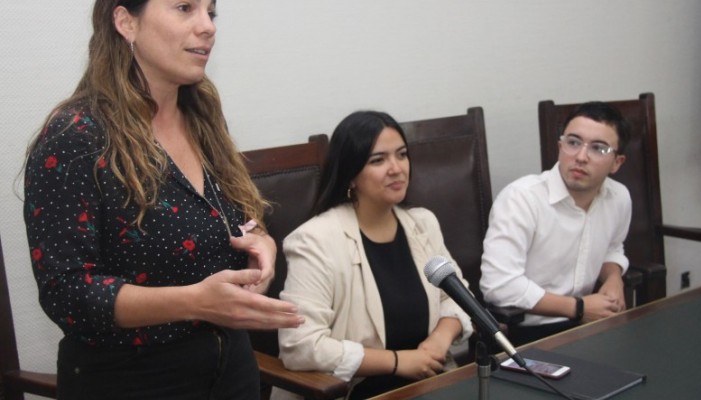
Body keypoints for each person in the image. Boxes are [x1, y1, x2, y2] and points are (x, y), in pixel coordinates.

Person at [23, 1, 303, 399]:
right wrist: (194, 303)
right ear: (125, 21)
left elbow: (236, 216)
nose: (207, 27)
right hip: (133, 380)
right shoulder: (77, 137)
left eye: (212, 12)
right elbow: (66, 292)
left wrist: (262, 243)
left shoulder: (202, 114)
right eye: (185, 8)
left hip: (233, 370)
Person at [271, 111, 473, 400]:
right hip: (355, 391)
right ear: (351, 174)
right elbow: (301, 346)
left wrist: (440, 340)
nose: (396, 168)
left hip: (430, 384)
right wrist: (397, 361)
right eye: (378, 160)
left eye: (401, 155)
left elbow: (456, 296)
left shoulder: (422, 224)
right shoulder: (315, 241)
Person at [480, 101, 631, 346]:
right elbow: (499, 285)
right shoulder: (521, 198)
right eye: (573, 143)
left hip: (592, 324)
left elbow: (613, 248)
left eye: (598, 148)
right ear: (560, 146)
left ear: (617, 162)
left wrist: (614, 278)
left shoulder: (619, 197)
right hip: (527, 334)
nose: (581, 157)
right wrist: (578, 308)